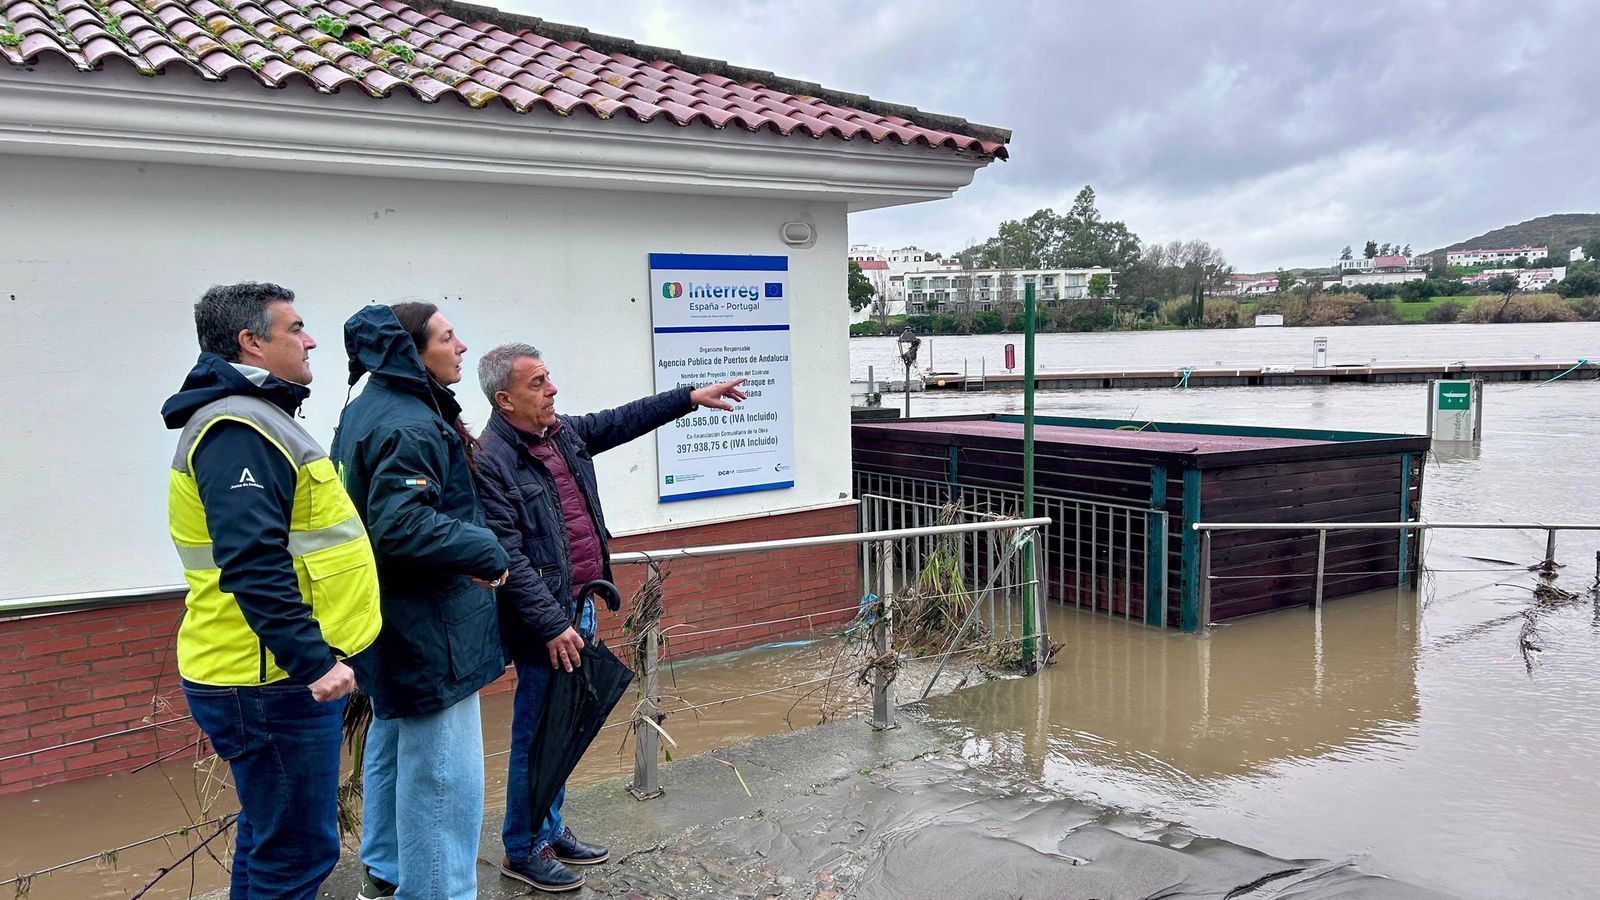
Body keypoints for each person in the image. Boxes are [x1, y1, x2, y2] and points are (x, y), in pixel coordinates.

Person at [473, 341, 746, 892]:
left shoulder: (562, 434)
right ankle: (522, 849)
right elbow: (507, 555)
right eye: (537, 383)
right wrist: (552, 625)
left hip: (580, 606)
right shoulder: (491, 460)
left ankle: (548, 828)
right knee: (538, 734)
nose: (552, 390)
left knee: (567, 728)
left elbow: (624, 419)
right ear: (504, 399)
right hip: (545, 623)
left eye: (549, 378)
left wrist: (689, 397)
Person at [161, 282, 382, 899]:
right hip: (268, 679)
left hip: (263, 672)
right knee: (297, 850)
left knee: (269, 837)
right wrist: (311, 659)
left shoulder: (256, 418)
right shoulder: (237, 428)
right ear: (251, 342)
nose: (311, 339)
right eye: (296, 328)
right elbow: (251, 559)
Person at [331, 303, 511, 900]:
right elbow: (401, 524)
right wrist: (485, 548)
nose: (461, 347)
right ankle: (437, 891)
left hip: (385, 617)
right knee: (443, 778)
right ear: (412, 352)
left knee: (390, 744)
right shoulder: (409, 422)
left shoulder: (365, 407)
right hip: (431, 627)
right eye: (448, 336)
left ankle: (384, 871)